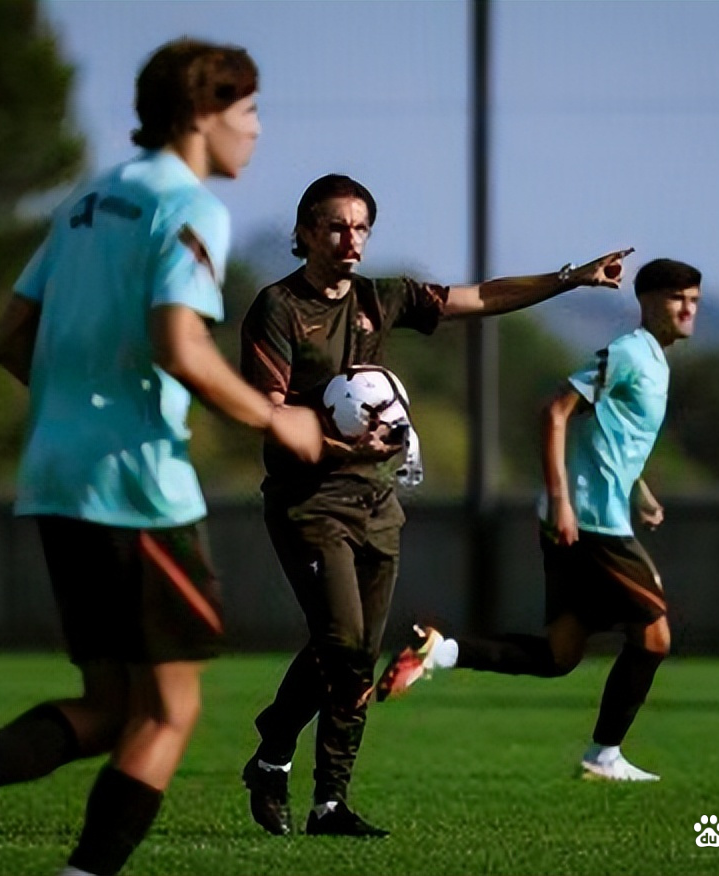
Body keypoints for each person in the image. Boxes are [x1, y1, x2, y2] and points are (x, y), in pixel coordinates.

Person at [0, 38, 321, 876]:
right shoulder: (187, 205)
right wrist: (280, 423)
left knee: (113, 704)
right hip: (137, 486)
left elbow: (10, 335)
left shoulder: (89, 199)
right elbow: (182, 346)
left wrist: (69, 412)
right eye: (249, 111)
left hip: (55, 477)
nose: (259, 131)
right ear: (203, 113)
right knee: (171, 710)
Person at [238, 172, 633, 837]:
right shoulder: (277, 308)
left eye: (362, 227)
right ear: (304, 232)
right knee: (342, 645)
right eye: (335, 226)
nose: (350, 239)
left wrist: (570, 277)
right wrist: (334, 436)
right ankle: (276, 755)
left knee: (354, 649)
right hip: (310, 502)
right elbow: (264, 410)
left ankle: (326, 801)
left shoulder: (378, 297)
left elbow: (476, 297)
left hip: (379, 499)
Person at [376, 257, 702, 784]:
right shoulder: (628, 352)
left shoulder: (657, 364)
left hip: (600, 512)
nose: (687, 309)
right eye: (676, 298)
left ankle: (439, 651)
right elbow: (555, 412)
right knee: (655, 636)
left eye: (694, 300)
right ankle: (604, 755)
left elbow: (610, 437)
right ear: (647, 302)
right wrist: (563, 500)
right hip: (591, 521)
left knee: (559, 654)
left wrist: (638, 489)